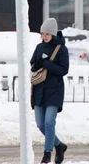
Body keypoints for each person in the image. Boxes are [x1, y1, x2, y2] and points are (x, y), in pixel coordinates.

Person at [30, 18, 69, 164]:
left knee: (49, 122)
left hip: (55, 91)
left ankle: (47, 153)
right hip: (40, 90)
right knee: (40, 124)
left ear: (53, 34)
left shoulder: (61, 49)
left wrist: (47, 64)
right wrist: (37, 64)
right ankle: (59, 145)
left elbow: (64, 70)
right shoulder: (39, 47)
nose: (44, 36)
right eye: (42, 33)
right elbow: (33, 64)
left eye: (47, 34)